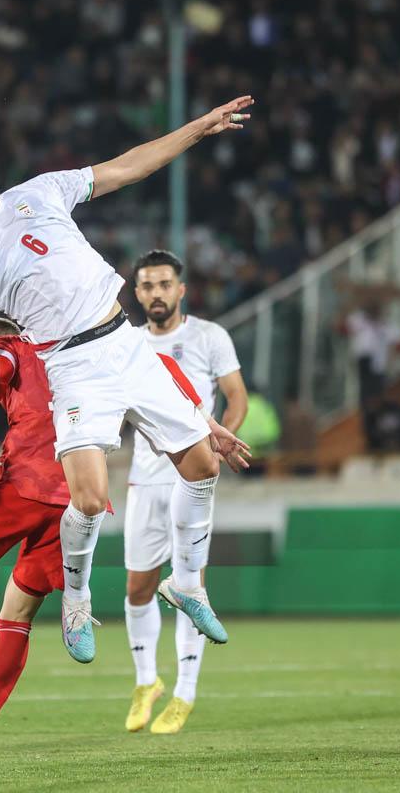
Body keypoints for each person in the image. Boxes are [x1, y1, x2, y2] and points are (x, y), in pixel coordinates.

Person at [0, 95, 255, 663]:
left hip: (125, 340)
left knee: (202, 466)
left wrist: (198, 129)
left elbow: (127, 166)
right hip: (71, 365)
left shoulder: (40, 191)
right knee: (90, 499)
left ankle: (187, 584)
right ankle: (76, 599)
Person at [0, 317, 206, 774]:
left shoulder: (15, 347)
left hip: (20, 484)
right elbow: (163, 372)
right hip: (75, 502)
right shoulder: (109, 348)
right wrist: (209, 426)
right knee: (15, 619)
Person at [122, 250, 247, 735]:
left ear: (181, 289)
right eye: (147, 285)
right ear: (137, 293)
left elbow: (236, 397)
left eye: (164, 284)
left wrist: (218, 443)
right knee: (138, 587)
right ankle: (146, 681)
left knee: (188, 586)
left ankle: (185, 692)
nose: (156, 292)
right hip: (143, 477)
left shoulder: (208, 336)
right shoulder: (128, 344)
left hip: (191, 476)